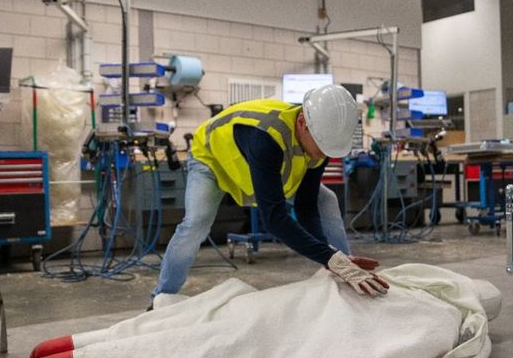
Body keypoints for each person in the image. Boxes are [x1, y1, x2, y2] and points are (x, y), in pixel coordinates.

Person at [149, 83, 388, 307]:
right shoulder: (266, 137)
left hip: (257, 166)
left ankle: (345, 272)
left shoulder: (319, 138)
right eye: (321, 147)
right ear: (303, 123)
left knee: (326, 200)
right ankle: (162, 297)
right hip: (212, 161)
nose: (321, 156)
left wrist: (333, 259)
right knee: (197, 222)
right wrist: (327, 256)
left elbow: (306, 205)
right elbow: (274, 218)